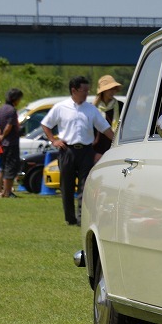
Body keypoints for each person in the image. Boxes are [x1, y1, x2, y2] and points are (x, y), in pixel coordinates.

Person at [41, 77, 115, 225]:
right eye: (84, 90)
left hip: (86, 151)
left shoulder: (91, 109)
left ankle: (82, 218)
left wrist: (117, 142)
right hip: (67, 150)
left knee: (85, 185)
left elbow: (105, 128)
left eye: (88, 90)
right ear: (73, 90)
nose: (87, 93)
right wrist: (54, 140)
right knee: (66, 186)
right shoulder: (60, 107)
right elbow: (46, 124)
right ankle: (70, 218)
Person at [0, 88, 23, 200]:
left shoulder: (1, 110)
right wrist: (4, 136)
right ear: (15, 99)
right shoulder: (12, 110)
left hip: (3, 144)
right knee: (10, 168)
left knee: (1, 168)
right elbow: (9, 126)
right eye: (19, 99)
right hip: (11, 142)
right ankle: (7, 192)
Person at [93, 74, 124, 159]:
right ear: (103, 91)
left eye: (114, 89)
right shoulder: (93, 108)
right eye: (109, 89)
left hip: (116, 148)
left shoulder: (121, 106)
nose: (112, 91)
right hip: (97, 150)